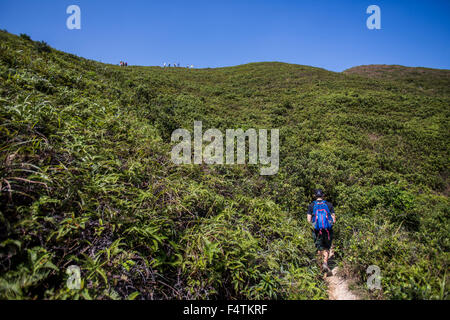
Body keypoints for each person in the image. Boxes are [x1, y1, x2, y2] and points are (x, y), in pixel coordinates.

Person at [306, 189, 336, 274]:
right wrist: (329, 225)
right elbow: (334, 219)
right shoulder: (329, 204)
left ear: (315, 196)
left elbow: (308, 220)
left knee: (319, 247)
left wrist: (314, 226)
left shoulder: (311, 205)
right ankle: (325, 263)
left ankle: (319, 267)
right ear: (323, 195)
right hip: (328, 230)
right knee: (326, 246)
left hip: (316, 230)